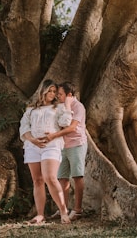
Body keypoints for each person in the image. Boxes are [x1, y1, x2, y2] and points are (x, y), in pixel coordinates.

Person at [19, 79, 73, 224]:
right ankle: (40, 215)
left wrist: (67, 106)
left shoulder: (59, 108)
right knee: (38, 180)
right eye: (49, 90)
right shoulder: (31, 110)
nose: (52, 94)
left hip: (52, 145)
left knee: (50, 177)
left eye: (54, 91)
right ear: (43, 91)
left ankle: (63, 211)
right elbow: (24, 127)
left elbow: (65, 123)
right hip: (33, 146)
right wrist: (32, 140)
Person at [46, 81, 87, 221]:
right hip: (63, 145)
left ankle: (78, 210)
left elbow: (71, 128)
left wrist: (53, 136)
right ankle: (63, 209)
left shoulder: (78, 107)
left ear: (69, 95)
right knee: (62, 178)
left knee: (77, 176)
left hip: (76, 144)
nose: (58, 97)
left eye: (60, 94)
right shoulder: (61, 107)